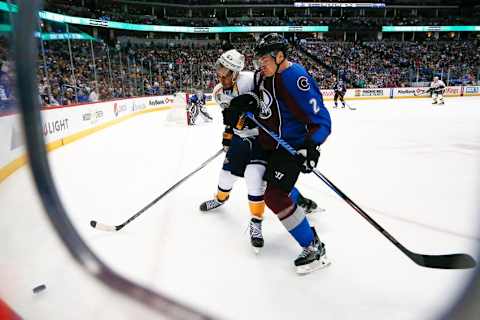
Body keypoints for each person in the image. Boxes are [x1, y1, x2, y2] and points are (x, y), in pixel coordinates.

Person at [227, 33, 332, 274]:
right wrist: (243, 107)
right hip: (272, 145)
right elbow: (265, 106)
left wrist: (311, 146)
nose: (260, 65)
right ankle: (301, 202)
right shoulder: (267, 76)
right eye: (259, 60)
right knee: (265, 182)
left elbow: (322, 120)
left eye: (264, 59)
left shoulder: (295, 77)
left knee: (274, 196)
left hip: (292, 147)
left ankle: (314, 247)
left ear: (280, 56)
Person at [200, 49, 320, 253]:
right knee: (225, 177)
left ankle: (256, 222)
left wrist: (255, 105)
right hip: (240, 139)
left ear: (236, 72)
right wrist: (228, 135)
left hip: (260, 138)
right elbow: (228, 120)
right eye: (219, 69)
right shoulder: (218, 92)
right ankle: (220, 199)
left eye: (225, 71)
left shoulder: (252, 79)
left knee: (255, 178)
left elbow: (273, 91)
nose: (220, 75)